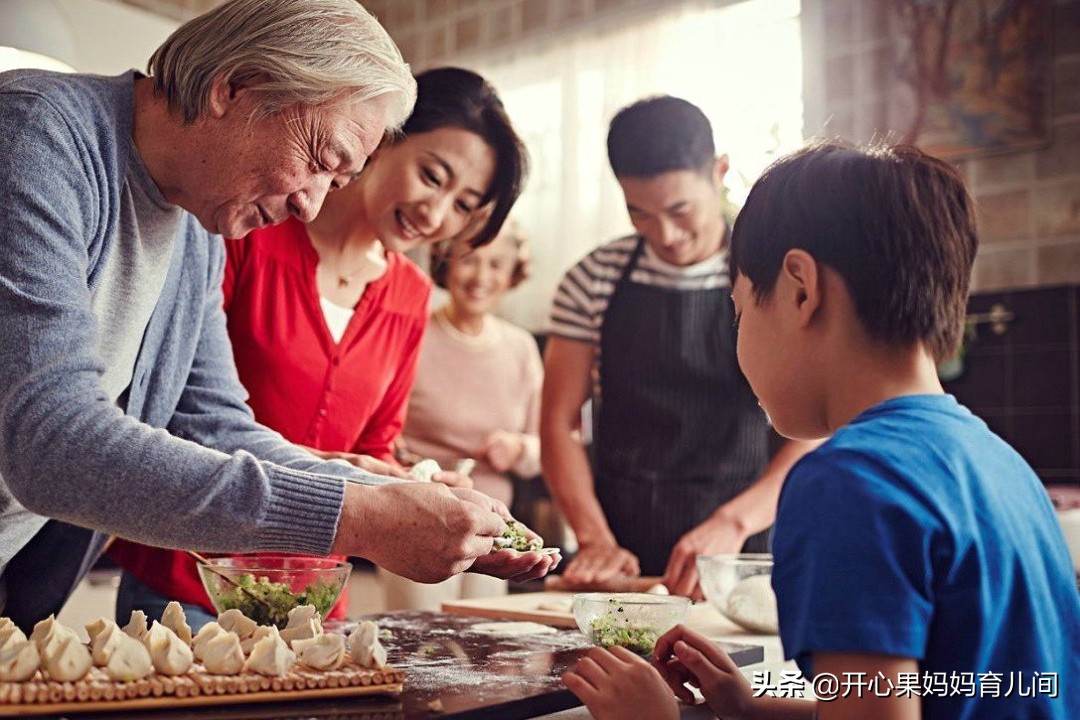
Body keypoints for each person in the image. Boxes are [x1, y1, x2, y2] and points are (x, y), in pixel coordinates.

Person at [0, 0, 556, 632]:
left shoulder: (199, 225)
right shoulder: (32, 135)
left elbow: (214, 425)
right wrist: (357, 518)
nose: (310, 206)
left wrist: (387, 495)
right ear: (233, 86)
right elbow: (50, 442)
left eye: (336, 181)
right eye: (320, 159)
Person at [562, 141, 1080, 720]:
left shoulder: (850, 482)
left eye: (738, 312)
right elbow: (924, 695)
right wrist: (748, 707)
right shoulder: (1000, 463)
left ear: (800, 290)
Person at [106, 66, 531, 629]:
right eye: (432, 176)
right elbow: (186, 415)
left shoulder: (411, 295)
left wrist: (414, 485)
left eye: (463, 204)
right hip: (190, 579)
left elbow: (376, 442)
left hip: (317, 596)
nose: (436, 213)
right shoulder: (244, 226)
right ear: (383, 138)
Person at [541, 96, 816, 597]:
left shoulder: (769, 276)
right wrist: (595, 540)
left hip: (743, 549)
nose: (664, 234)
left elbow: (813, 427)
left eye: (679, 209)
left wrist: (735, 522)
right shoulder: (592, 279)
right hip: (622, 551)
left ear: (720, 171)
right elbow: (559, 423)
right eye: (639, 213)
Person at [383, 221, 543, 610]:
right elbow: (380, 429)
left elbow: (544, 449)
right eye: (469, 261)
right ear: (446, 264)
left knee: (487, 650)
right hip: (420, 520)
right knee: (421, 648)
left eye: (495, 265)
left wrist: (518, 448)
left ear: (512, 273)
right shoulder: (413, 333)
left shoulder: (521, 348)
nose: (480, 277)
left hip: (495, 533)